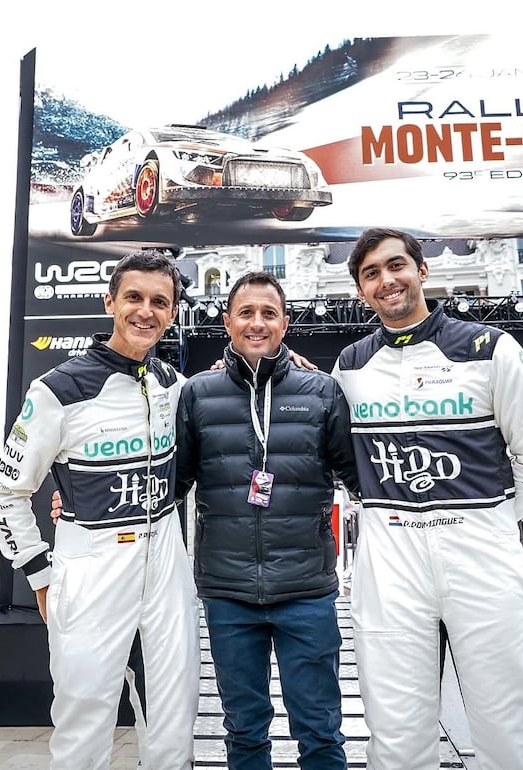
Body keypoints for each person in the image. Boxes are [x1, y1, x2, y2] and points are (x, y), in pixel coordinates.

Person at [331, 227, 523, 770]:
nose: (387, 280)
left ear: (422, 271)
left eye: (396, 266)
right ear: (361, 291)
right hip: (390, 555)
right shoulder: (350, 364)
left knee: (505, 716)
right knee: (394, 725)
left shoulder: (489, 348)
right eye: (371, 274)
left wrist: (490, 520)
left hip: (480, 551)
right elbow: (341, 456)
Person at [0, 249, 200, 770]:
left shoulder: (173, 385)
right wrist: (37, 573)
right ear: (110, 302)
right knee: (85, 716)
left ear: (172, 312)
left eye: (160, 302)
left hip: (167, 565)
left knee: (175, 715)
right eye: (134, 297)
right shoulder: (59, 388)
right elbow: (7, 491)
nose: (146, 311)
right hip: (91, 567)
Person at [175, 270, 360, 770]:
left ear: (285, 322)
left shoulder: (322, 392)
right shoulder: (196, 395)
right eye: (246, 313)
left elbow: (358, 475)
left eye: (268, 313)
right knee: (244, 731)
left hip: (307, 592)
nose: (257, 323)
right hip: (228, 592)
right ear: (227, 322)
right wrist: (77, 504)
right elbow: (171, 485)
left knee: (320, 731)